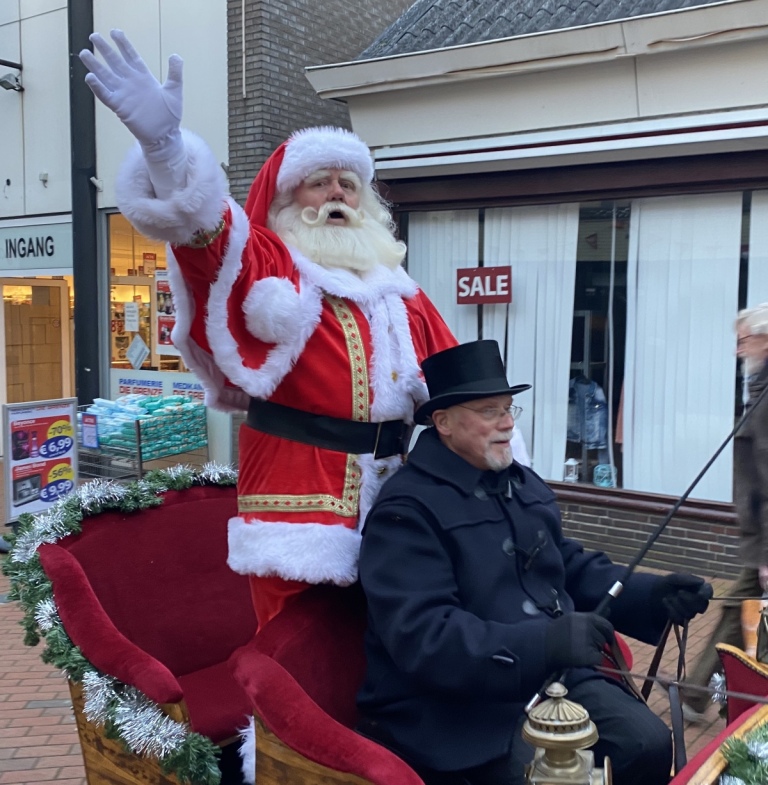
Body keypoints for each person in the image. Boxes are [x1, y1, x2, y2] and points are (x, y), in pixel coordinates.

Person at [79, 30, 456, 629]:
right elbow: (211, 239)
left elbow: (455, 379)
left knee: (393, 633)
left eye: (348, 184)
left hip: (400, 493)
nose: (337, 194)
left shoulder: (398, 288)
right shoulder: (275, 263)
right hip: (297, 489)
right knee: (298, 645)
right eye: (320, 182)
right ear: (287, 198)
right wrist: (167, 151)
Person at [357, 339, 713, 785]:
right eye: (490, 411)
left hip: (555, 677)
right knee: (543, 775)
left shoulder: (521, 484)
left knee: (647, 744)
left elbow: (569, 566)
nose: (507, 422)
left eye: (509, 408)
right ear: (443, 422)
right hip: (455, 708)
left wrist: (651, 595)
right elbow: (424, 635)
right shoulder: (405, 511)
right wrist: (542, 644)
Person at [681, 303, 768, 722]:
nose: (739, 349)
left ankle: (710, 700)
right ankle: (703, 696)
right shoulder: (759, 387)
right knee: (740, 611)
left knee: (745, 613)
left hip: (766, 540)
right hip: (759, 537)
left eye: (745, 340)